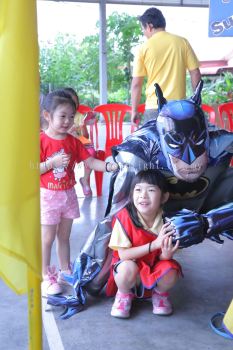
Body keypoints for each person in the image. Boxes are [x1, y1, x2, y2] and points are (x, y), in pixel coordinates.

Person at [40, 89, 118, 296]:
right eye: (62, 116)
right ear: (47, 116)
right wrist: (51, 163)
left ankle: (65, 270)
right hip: (48, 196)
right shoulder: (40, 140)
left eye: (71, 117)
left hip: (68, 195)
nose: (67, 121)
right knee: (47, 238)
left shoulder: (73, 141)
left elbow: (90, 161)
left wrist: (109, 167)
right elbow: (31, 169)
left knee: (64, 236)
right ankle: (45, 276)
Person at [107, 169, 182, 319]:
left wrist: (166, 255)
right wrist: (154, 245)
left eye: (151, 190)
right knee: (127, 268)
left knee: (172, 270)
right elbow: (123, 254)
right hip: (129, 266)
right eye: (138, 190)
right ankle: (123, 294)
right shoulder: (124, 218)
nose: (143, 195)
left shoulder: (169, 222)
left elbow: (162, 257)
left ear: (164, 197)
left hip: (153, 265)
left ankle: (159, 295)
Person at [131, 7, 201, 125]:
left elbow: (136, 84)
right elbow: (195, 73)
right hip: (179, 108)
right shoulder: (182, 42)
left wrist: (134, 110)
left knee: (154, 143)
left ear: (149, 26)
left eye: (143, 29)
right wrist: (196, 101)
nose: (144, 32)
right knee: (180, 142)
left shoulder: (143, 48)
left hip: (154, 107)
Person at [63, 87, 96, 197]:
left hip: (79, 144)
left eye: (75, 103)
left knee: (91, 152)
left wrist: (82, 126)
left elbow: (86, 136)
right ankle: (64, 183)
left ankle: (85, 179)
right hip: (65, 145)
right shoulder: (60, 116)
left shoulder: (79, 116)